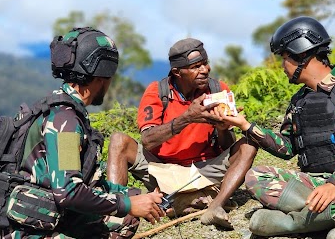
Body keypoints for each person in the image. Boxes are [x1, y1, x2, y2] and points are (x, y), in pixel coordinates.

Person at [0, 27, 164, 239]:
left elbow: (80, 186)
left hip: (48, 219)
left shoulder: (63, 108)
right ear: (101, 74)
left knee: (125, 219)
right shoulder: (65, 121)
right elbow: (68, 191)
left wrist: (135, 199)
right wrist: (127, 203)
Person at [218, 16, 335, 239]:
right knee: (255, 177)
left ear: (301, 54)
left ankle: (290, 223)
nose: (282, 66)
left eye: (285, 58)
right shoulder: (299, 100)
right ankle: (334, 219)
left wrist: (333, 184)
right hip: (312, 184)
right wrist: (245, 125)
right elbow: (287, 147)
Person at [107, 38, 257, 229]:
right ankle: (116, 210)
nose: (205, 70)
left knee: (248, 144)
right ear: (178, 72)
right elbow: (147, 140)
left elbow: (227, 146)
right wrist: (187, 117)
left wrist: (222, 128)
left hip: (204, 169)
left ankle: (215, 206)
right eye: (196, 66)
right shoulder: (157, 92)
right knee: (118, 140)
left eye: (205, 63)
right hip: (162, 167)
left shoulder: (218, 90)